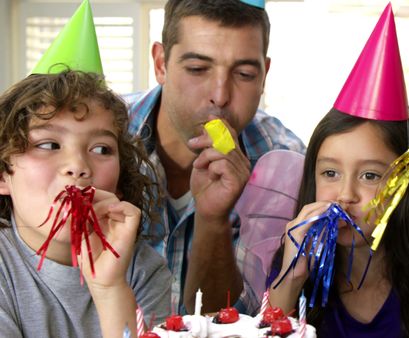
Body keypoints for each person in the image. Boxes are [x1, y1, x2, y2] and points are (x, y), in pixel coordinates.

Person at [268, 5, 409, 337]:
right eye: (330, 174)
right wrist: (291, 278)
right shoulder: (293, 260)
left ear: (407, 184)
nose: (345, 195)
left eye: (370, 176)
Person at [125, 0, 305, 315]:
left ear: (264, 75)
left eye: (245, 73)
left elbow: (238, 320)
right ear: (161, 63)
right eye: (197, 69)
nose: (220, 95)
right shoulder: (102, 138)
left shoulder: (286, 165)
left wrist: (213, 220)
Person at [0, 69, 172, 338]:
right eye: (48, 145)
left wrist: (110, 288)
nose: (78, 167)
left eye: (101, 149)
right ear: (3, 173)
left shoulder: (144, 271)